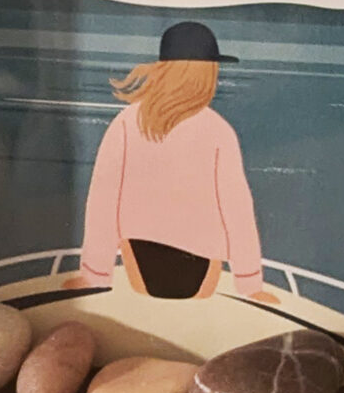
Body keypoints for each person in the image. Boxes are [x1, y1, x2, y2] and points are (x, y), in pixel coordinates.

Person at [71, 18, 267, 301]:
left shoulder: (126, 122)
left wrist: (95, 275)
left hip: (140, 259)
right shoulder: (218, 130)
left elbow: (103, 203)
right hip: (201, 267)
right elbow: (237, 211)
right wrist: (250, 284)